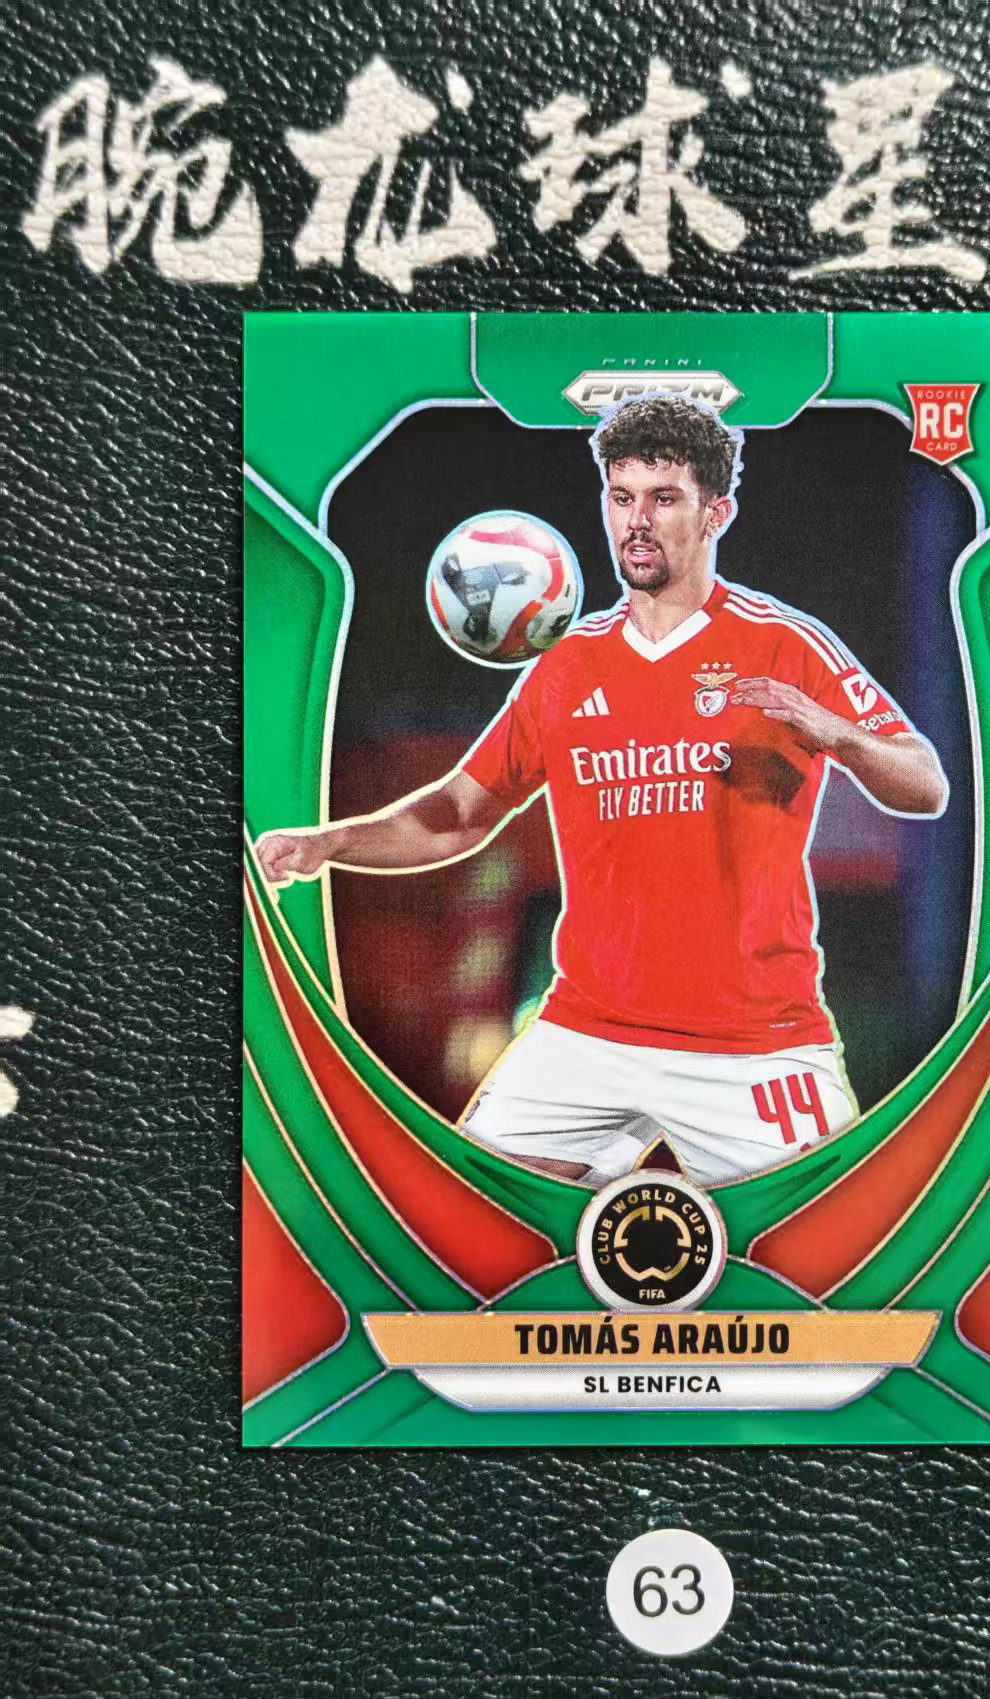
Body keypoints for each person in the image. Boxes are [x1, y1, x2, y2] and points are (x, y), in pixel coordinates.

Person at [257, 396, 948, 1187]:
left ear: (715, 513)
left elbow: (923, 783)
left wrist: (837, 736)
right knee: (474, 1221)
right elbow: (455, 815)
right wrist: (331, 842)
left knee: (825, 1242)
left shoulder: (782, 644)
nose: (637, 521)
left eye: (664, 499)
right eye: (621, 497)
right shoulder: (565, 665)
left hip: (752, 1040)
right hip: (586, 1034)